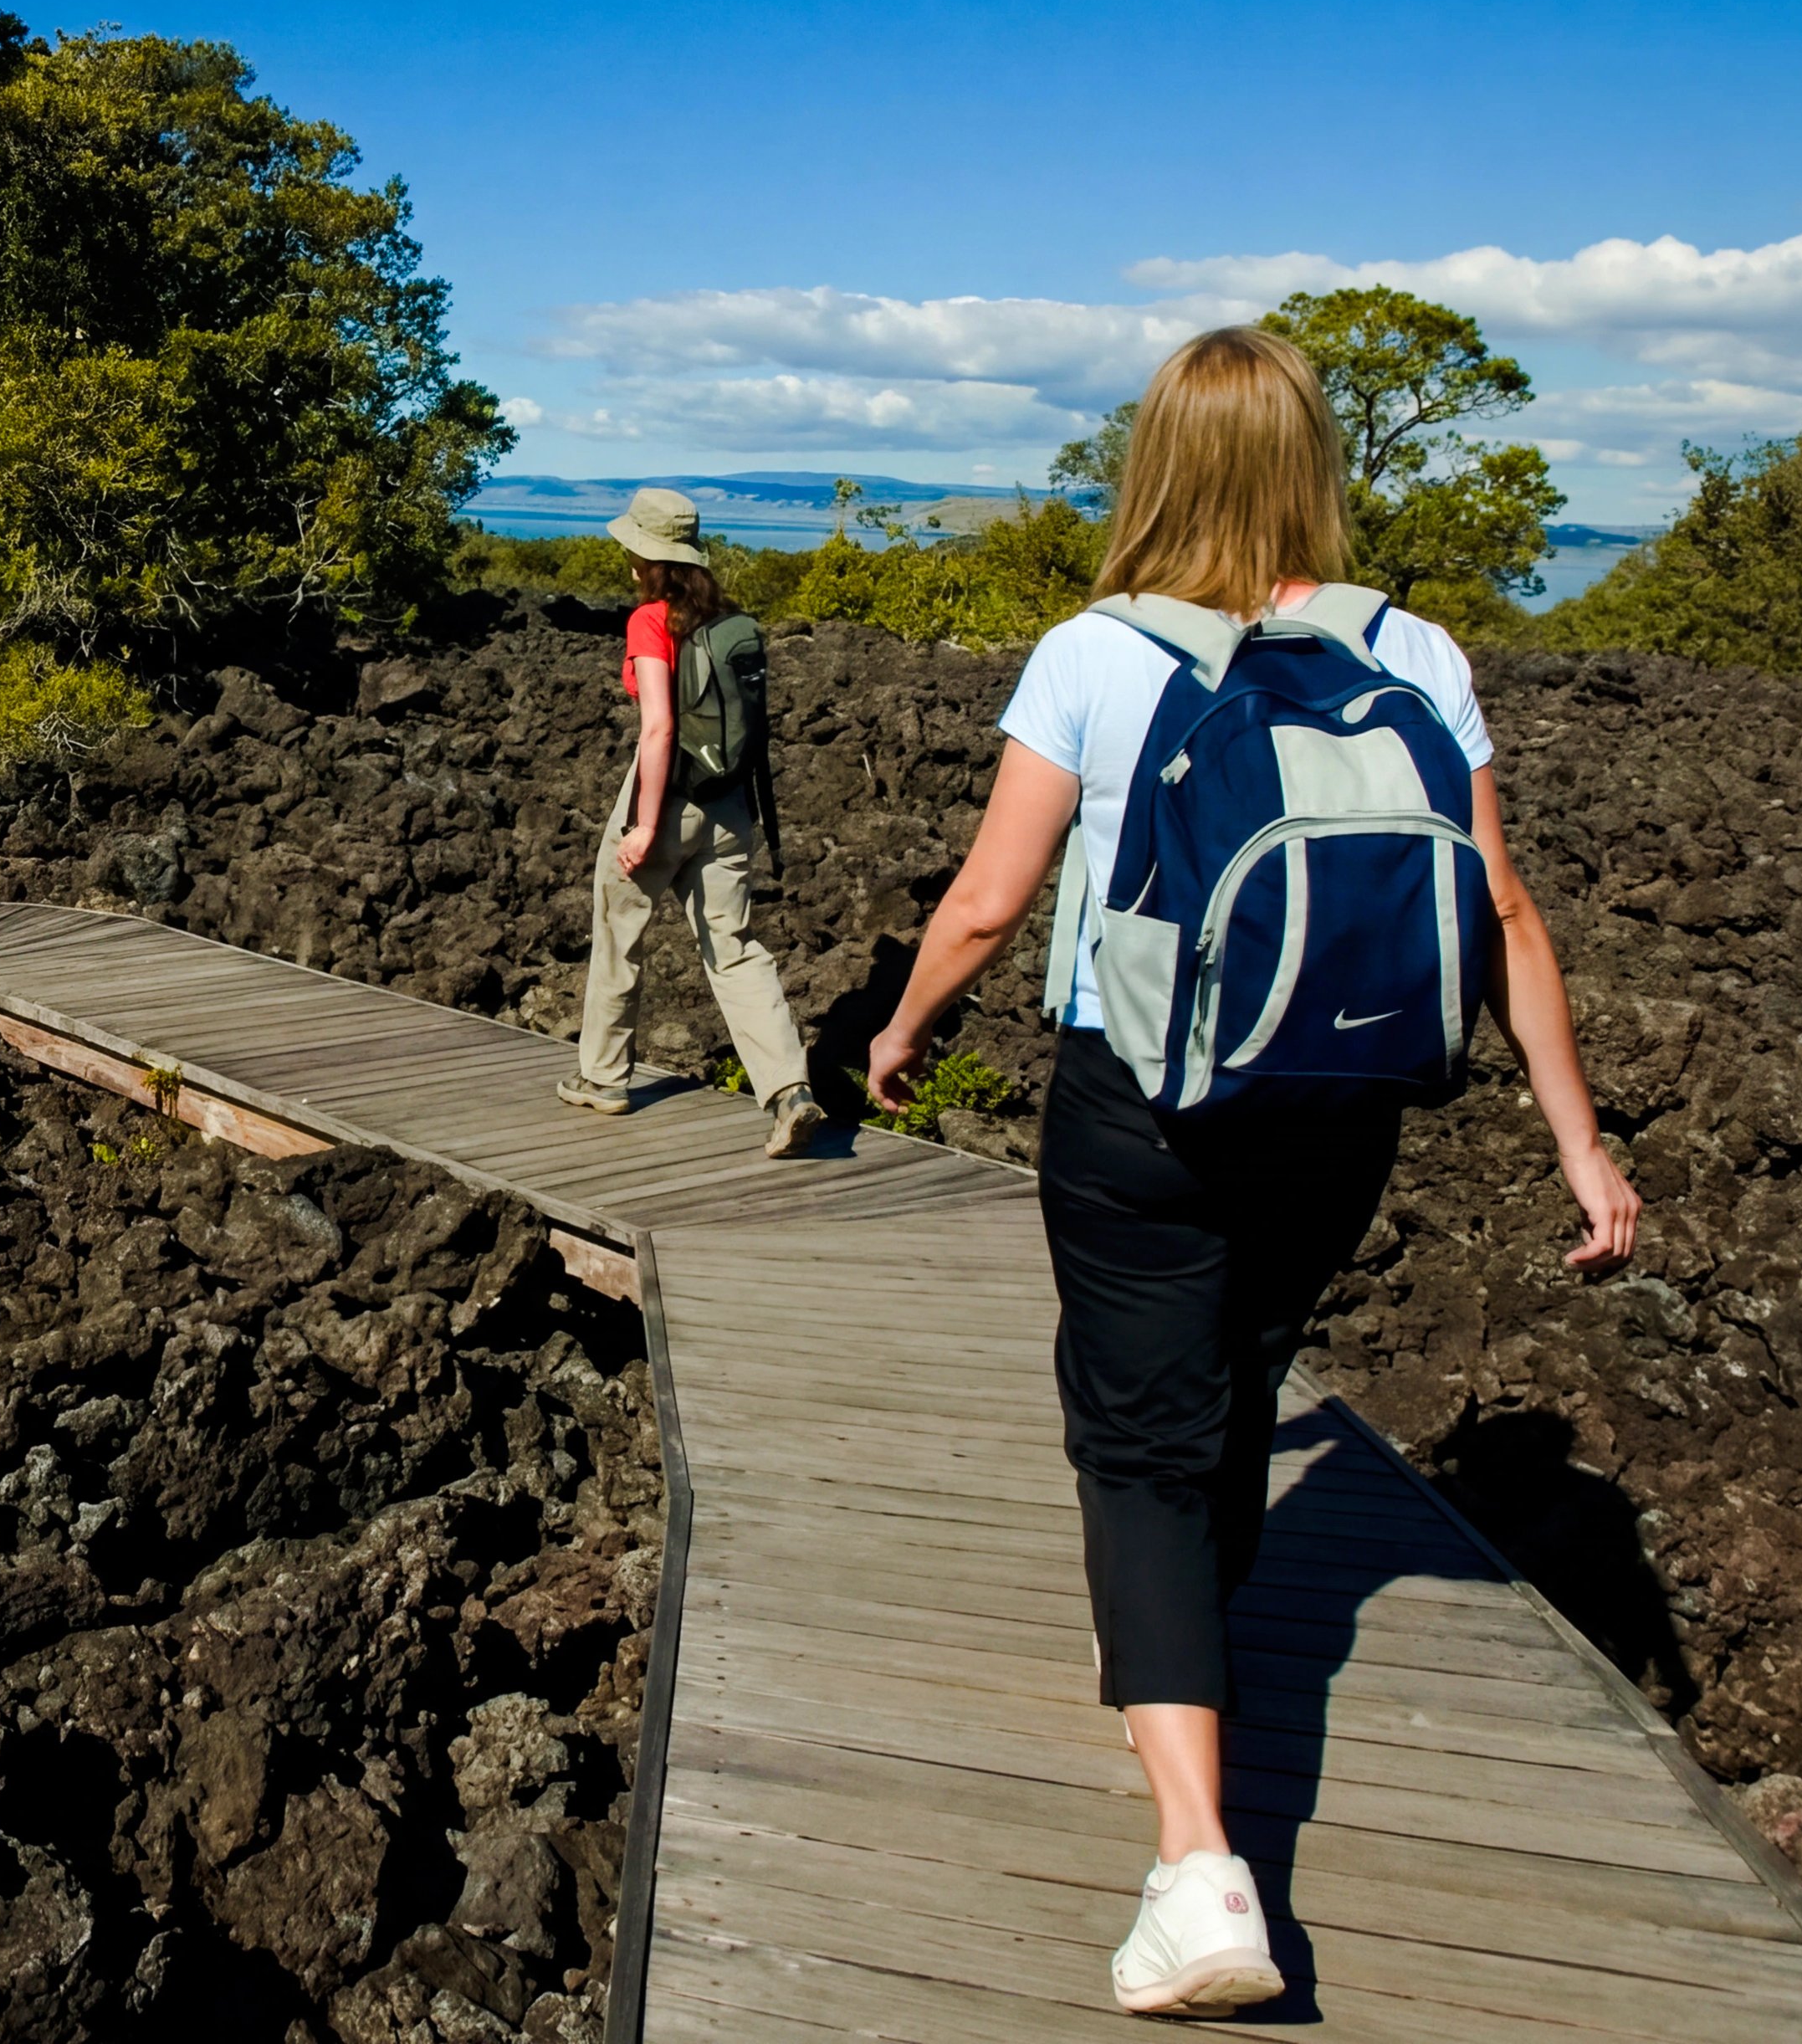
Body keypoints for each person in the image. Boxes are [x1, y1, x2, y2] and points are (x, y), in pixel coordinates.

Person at [862, 326, 1640, 2016]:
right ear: (1310, 464)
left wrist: (906, 1028)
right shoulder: (1411, 649)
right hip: (1342, 1104)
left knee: (1140, 1443)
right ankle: (1172, 1647)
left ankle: (1199, 1871)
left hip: (1141, 1104)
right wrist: (1579, 1141)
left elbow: (993, 898)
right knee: (1234, 1392)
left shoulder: (1092, 650)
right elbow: (1499, 911)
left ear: (1157, 462)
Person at [558, 487, 824, 1157]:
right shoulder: (731, 621)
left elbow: (658, 727)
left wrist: (643, 826)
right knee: (733, 948)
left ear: (648, 557)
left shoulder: (652, 621)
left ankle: (602, 1078)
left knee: (621, 933)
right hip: (732, 804)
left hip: (666, 795)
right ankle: (790, 1091)